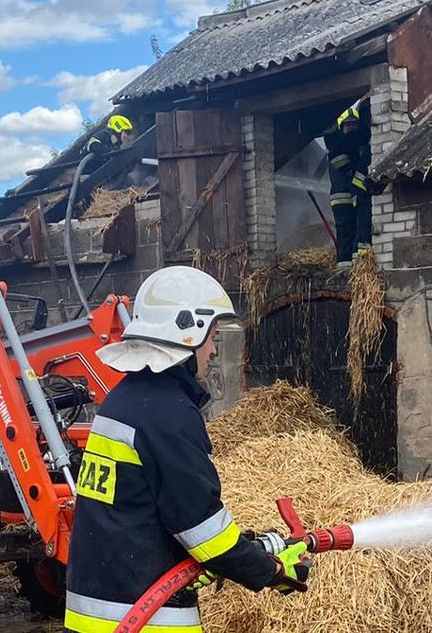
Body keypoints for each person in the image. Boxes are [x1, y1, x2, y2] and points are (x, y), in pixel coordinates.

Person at [64, 267, 312, 633]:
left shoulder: (125, 400)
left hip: (96, 613)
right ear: (187, 332)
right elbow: (201, 527)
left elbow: (146, 514)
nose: (213, 350)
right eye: (211, 337)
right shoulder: (169, 413)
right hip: (149, 621)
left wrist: (249, 546)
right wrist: (270, 571)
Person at [325, 98, 372, 265]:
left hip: (353, 193)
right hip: (343, 196)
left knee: (355, 228)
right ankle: (344, 265)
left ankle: (352, 263)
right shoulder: (339, 145)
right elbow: (336, 158)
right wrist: (351, 171)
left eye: (354, 124)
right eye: (348, 125)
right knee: (346, 230)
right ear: (341, 127)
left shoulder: (355, 142)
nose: (352, 128)